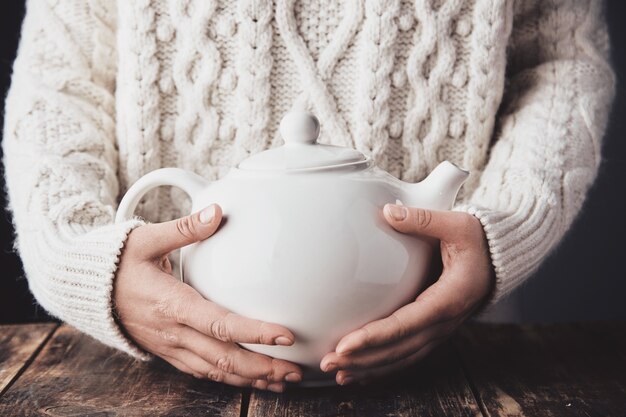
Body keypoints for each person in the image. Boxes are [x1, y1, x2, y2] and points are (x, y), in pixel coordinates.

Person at [2, 0, 615, 392]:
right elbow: (59, 83)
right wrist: (90, 264)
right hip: (152, 368)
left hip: (445, 362)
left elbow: (563, 60)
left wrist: (502, 232)